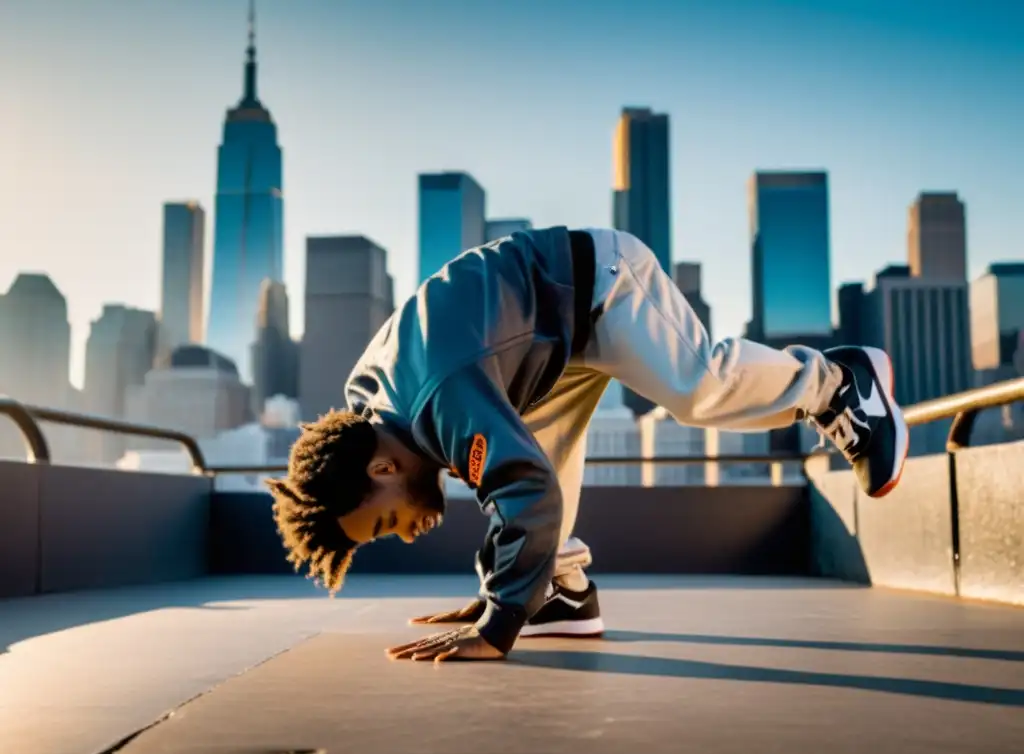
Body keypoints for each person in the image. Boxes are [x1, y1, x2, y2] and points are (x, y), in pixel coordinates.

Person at [267, 227, 909, 664]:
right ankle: (558, 590)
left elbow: (526, 491)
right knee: (531, 459)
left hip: (600, 286)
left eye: (384, 521)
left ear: (382, 465)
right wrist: (503, 589)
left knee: (696, 388)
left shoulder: (439, 399)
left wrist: (496, 627)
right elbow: (506, 480)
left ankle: (838, 383)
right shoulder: (373, 412)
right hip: (546, 344)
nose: (405, 533)